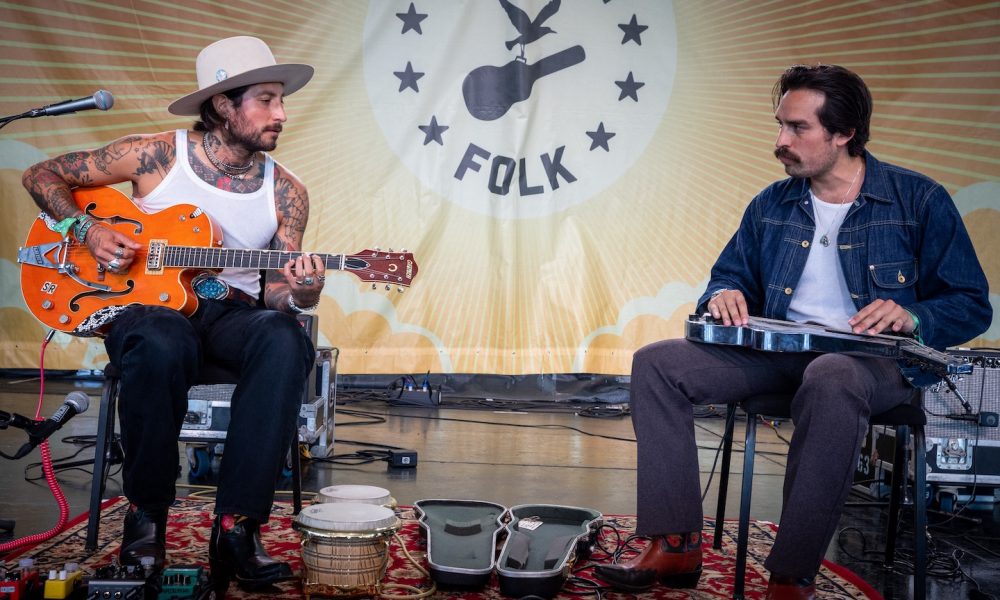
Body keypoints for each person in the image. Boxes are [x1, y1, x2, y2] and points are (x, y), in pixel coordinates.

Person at [594, 64, 992, 599]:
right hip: (780, 352)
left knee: (832, 375)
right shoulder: (771, 205)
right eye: (780, 125)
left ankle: (791, 574)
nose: (781, 141)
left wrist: (914, 316)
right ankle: (676, 542)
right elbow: (730, 274)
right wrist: (723, 294)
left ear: (844, 132)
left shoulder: (917, 200)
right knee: (657, 362)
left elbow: (970, 304)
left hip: (875, 365)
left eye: (798, 128)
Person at [21, 36, 322, 590]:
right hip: (146, 313)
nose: (281, 113)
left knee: (284, 336)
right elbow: (41, 175)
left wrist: (301, 293)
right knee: (162, 340)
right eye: (266, 99)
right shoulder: (157, 154)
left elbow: (279, 289)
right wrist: (86, 228)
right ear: (223, 105)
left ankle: (237, 528)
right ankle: (146, 516)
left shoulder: (288, 191)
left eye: (281, 100)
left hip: (230, 316)